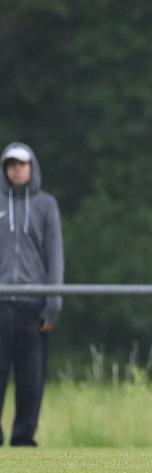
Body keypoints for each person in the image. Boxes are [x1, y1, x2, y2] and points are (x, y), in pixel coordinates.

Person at [0, 143, 63, 447]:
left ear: (31, 167)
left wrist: (52, 305)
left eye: (21, 164)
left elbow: (54, 256)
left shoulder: (46, 205)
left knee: (31, 380)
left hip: (32, 308)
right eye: (10, 164)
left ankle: (23, 438)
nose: (16, 169)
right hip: (1, 304)